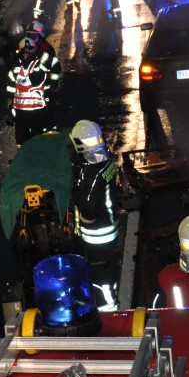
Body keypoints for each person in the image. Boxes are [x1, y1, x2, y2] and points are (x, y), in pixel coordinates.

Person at [69, 119, 121, 310]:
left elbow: (88, 209)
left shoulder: (92, 173)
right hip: (109, 229)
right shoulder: (106, 163)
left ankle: (108, 311)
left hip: (96, 237)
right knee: (109, 272)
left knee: (99, 279)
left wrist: (75, 192)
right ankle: (111, 302)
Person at [6, 37, 54, 146]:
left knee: (36, 142)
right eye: (24, 52)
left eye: (29, 51)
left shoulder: (39, 66)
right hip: (22, 113)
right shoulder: (15, 68)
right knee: (22, 143)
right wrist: (10, 112)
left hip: (36, 112)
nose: (26, 54)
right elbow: (10, 91)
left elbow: (43, 85)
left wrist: (49, 106)